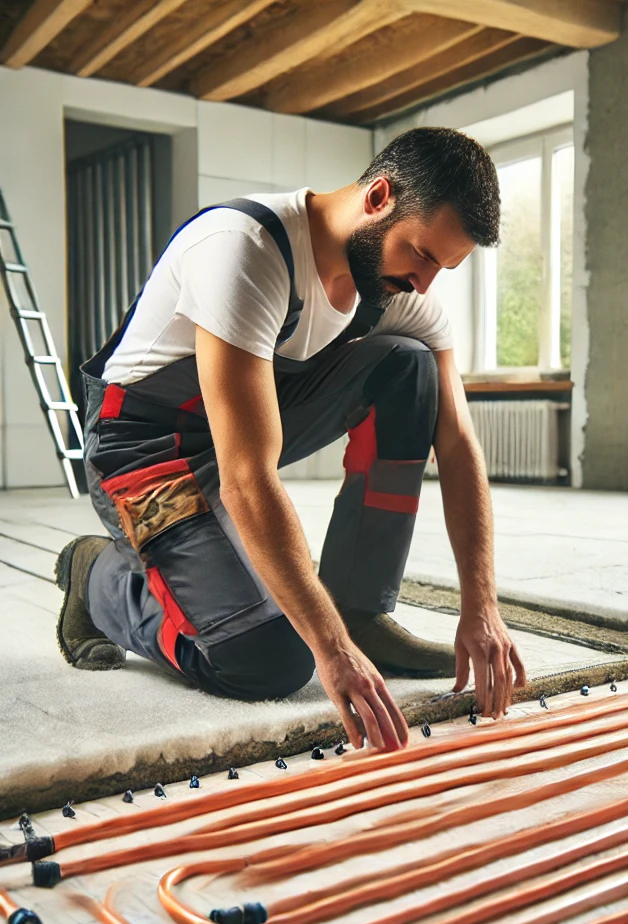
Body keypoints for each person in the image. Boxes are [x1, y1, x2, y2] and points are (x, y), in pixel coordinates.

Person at [54, 127, 526, 751]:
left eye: (445, 266)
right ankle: (100, 577)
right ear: (379, 197)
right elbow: (248, 477)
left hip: (245, 431)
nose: (425, 282)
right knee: (267, 658)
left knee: (411, 368)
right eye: (421, 255)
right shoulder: (244, 250)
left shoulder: (397, 290)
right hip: (145, 449)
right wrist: (329, 650)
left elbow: (459, 446)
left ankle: (361, 607)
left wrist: (481, 605)